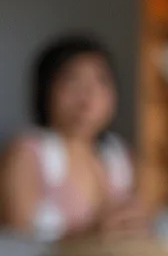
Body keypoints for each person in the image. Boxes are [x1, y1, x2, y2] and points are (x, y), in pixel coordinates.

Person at [0, 34, 147, 241]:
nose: (87, 96)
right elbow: (15, 244)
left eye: (100, 81)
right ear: (46, 89)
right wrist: (88, 235)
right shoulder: (27, 153)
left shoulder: (119, 156)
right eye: (72, 81)